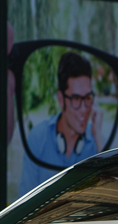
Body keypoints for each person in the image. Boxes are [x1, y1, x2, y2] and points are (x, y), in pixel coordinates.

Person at [18, 51, 102, 195]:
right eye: (76, 98)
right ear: (61, 99)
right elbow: (24, 202)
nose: (84, 110)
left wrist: (98, 136)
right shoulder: (38, 138)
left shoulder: (98, 142)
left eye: (87, 98)